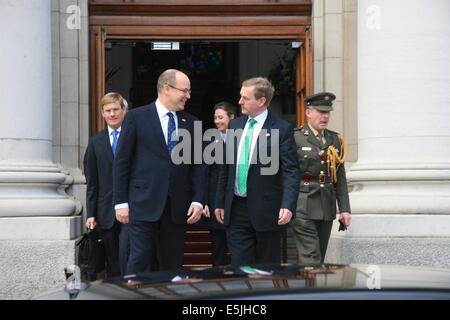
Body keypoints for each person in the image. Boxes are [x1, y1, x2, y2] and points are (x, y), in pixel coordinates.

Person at [113, 69, 206, 274]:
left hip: (177, 207)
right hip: (142, 203)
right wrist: (120, 202)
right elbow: (122, 162)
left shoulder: (192, 123)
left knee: (172, 265)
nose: (188, 96)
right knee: (138, 261)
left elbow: (198, 166)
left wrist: (198, 200)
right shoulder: (136, 117)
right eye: (185, 91)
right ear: (166, 89)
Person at [214, 77, 300, 266]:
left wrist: (288, 205)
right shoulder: (235, 125)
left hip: (267, 211)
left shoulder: (282, 129)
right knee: (240, 266)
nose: (240, 102)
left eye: (245, 98)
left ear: (261, 101)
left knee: (266, 269)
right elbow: (226, 168)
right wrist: (220, 202)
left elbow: (291, 171)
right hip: (236, 209)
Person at [290, 92, 351, 265]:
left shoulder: (335, 139)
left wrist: (345, 209)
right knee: (312, 259)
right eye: (320, 111)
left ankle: (309, 289)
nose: (325, 116)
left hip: (326, 207)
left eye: (327, 112)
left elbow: (339, 177)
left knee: (319, 258)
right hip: (303, 206)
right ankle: (313, 290)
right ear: (308, 112)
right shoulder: (295, 137)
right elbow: (287, 174)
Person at [84, 92, 129, 277]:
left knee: (127, 253)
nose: (112, 114)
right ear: (102, 113)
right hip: (105, 211)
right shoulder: (95, 142)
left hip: (131, 209)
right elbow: (92, 181)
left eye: (116, 109)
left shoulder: (133, 137)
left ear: (124, 111)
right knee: (111, 259)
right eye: (108, 110)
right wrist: (91, 213)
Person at [198, 101, 237, 266]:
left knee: (238, 245)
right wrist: (204, 201)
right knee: (218, 247)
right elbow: (204, 172)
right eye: (215, 118)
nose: (217, 121)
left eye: (221, 117)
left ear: (232, 117)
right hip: (215, 200)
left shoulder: (242, 138)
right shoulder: (208, 140)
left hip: (236, 201)